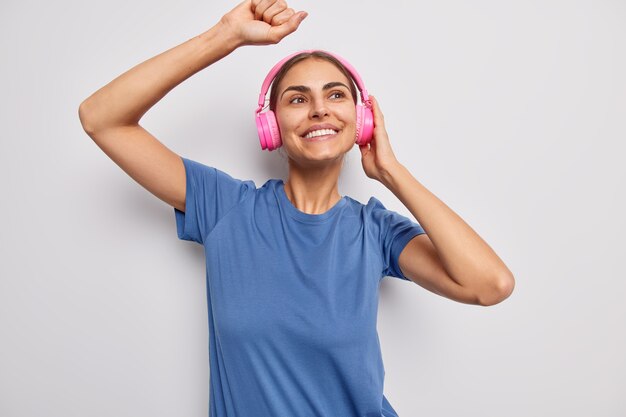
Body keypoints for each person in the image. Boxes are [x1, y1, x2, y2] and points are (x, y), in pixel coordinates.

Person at [78, 0, 516, 415]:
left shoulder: (376, 232)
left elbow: (490, 285)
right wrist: (225, 35)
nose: (319, 110)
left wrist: (391, 171)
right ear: (270, 126)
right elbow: (101, 117)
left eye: (336, 95)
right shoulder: (226, 208)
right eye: (298, 99)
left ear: (362, 120)